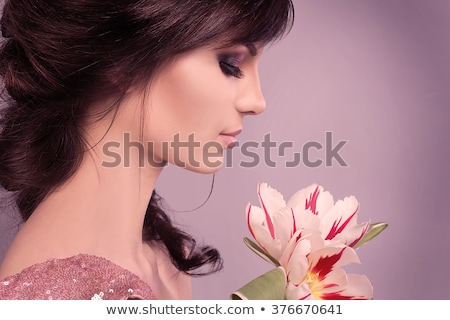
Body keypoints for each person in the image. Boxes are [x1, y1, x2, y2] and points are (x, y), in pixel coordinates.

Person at [0, 0, 294, 299]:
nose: (256, 102)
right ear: (122, 61)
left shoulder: (165, 259)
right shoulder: (58, 297)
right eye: (229, 64)